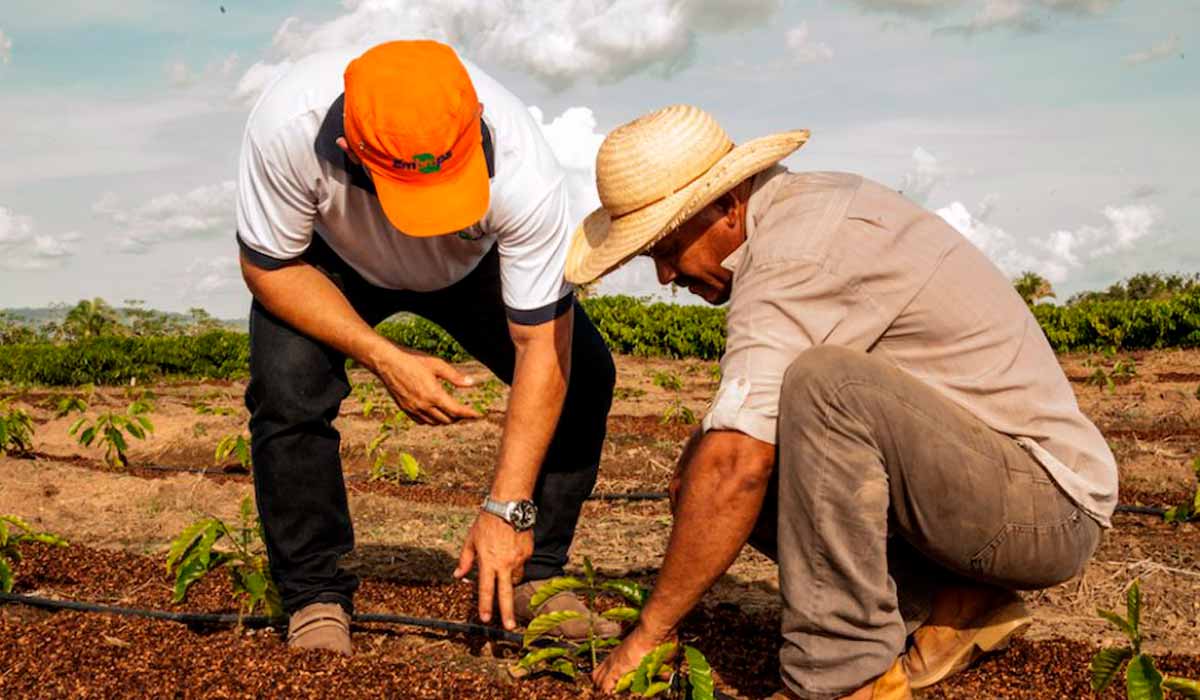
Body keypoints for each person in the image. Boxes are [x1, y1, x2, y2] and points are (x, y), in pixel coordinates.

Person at [568, 105, 1116, 699]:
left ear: (728, 205)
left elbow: (738, 465)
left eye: (668, 248)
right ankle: (958, 603)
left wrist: (650, 631)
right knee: (712, 459)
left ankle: (842, 677)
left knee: (824, 390)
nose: (666, 276)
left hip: (1046, 506)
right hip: (986, 493)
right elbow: (723, 456)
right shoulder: (795, 220)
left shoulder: (793, 254)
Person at [234, 40, 618, 656]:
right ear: (349, 150)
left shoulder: (524, 166)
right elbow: (271, 267)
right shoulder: (286, 127)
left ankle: (536, 574)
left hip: (472, 265)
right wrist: (381, 354)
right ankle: (314, 595)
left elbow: (543, 349)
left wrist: (507, 506)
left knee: (587, 377)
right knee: (287, 390)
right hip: (331, 262)